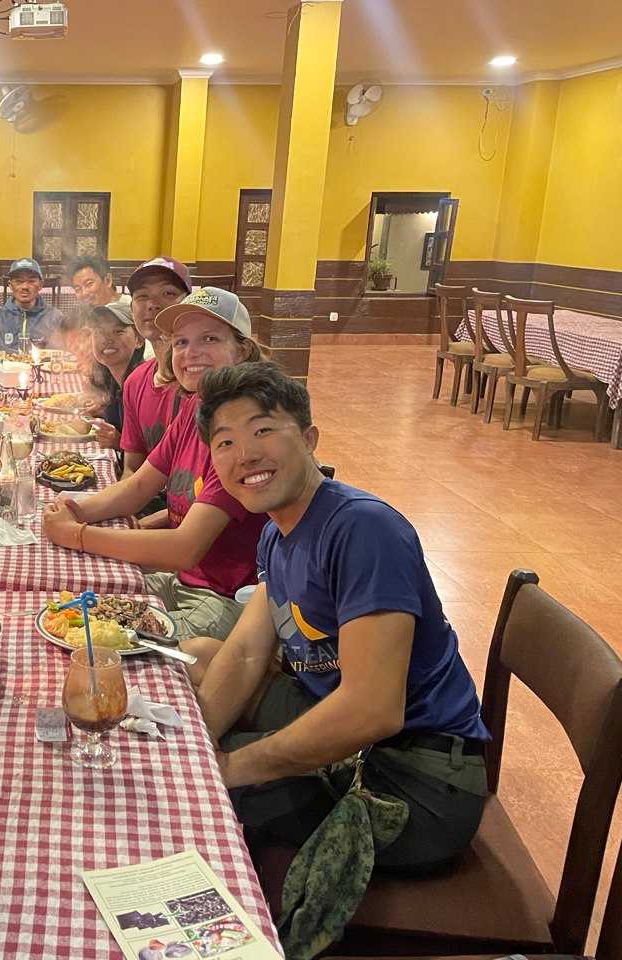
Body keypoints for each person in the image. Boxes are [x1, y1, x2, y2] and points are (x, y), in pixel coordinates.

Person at [192, 361, 488, 873]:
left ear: (309, 438)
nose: (246, 454)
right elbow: (244, 654)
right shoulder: (277, 532)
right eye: (226, 442)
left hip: (417, 780)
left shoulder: (363, 531)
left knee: (216, 803)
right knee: (200, 667)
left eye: (263, 430)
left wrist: (229, 768)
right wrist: (198, 753)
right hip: (349, 728)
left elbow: (372, 711)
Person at [43, 288, 266, 642]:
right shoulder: (197, 408)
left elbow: (183, 548)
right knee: (72, 599)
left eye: (209, 339)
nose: (190, 353)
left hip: (221, 599)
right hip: (180, 579)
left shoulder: (243, 431)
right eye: (180, 342)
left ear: (243, 350)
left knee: (104, 645)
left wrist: (77, 534)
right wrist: (72, 509)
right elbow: (138, 487)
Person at [119, 257, 192, 484]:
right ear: (132, 310)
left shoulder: (198, 382)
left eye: (168, 293)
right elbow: (131, 468)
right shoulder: (135, 382)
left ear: (188, 304)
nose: (153, 304)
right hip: (145, 498)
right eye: (142, 296)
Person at [80, 298, 144, 456]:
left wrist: (119, 442)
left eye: (118, 331)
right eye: (100, 332)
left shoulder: (143, 386)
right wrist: (104, 411)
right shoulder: (112, 381)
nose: (107, 339)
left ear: (139, 340)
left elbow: (161, 454)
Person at [0, 258, 65, 351]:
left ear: (41, 284)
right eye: (18, 281)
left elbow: (60, 353)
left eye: (31, 281)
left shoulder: (55, 317)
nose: (25, 287)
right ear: (10, 285)